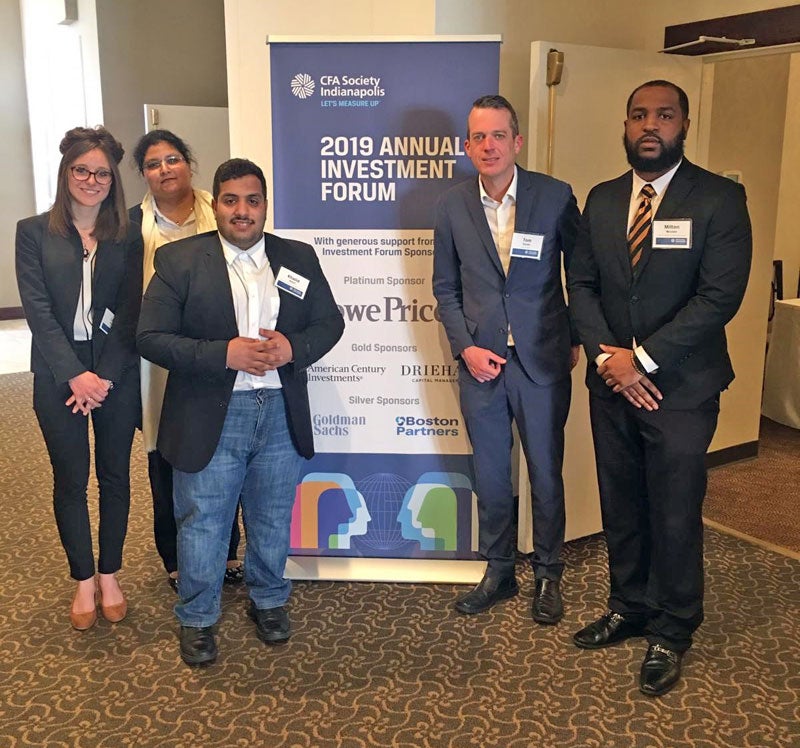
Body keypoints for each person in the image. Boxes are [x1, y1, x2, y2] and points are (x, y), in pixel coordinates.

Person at [567, 80, 752, 696]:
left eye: (664, 115)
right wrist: (608, 359)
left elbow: (719, 296)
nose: (650, 125)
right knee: (620, 501)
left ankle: (673, 628)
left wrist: (641, 360)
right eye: (639, 115)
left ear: (684, 124)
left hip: (682, 387)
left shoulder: (721, 199)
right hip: (611, 383)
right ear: (625, 126)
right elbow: (584, 287)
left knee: (673, 512)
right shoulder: (601, 199)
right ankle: (629, 605)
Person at [137, 158, 344, 666]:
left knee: (272, 517)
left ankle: (269, 599)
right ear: (217, 204)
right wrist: (223, 354)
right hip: (212, 411)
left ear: (265, 205)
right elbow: (150, 337)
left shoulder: (298, 257)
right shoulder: (180, 260)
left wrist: (294, 347)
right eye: (231, 200)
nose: (242, 211)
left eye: (253, 200)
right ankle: (198, 616)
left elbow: (330, 323)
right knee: (204, 520)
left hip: (279, 409)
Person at [432, 94, 580, 623]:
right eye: (478, 137)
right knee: (492, 474)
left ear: (517, 141)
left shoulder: (556, 196)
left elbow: (579, 279)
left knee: (545, 470)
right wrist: (465, 346)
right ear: (467, 146)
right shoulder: (451, 206)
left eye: (498, 135)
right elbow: (444, 288)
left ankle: (547, 572)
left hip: (542, 359)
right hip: (482, 363)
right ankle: (499, 570)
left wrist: (577, 339)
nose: (488, 146)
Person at [15, 126, 143, 630]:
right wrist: (74, 376)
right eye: (82, 170)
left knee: (114, 477)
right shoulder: (32, 232)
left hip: (114, 370)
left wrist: (103, 377)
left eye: (102, 173)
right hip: (56, 372)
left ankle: (110, 573)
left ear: (113, 181)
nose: (91, 180)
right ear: (66, 173)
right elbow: (38, 311)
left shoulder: (126, 236)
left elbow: (130, 312)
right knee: (70, 479)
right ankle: (83, 579)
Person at [130, 130, 244, 591]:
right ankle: (174, 557)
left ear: (189, 163)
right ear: (144, 174)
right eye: (154, 163)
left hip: (217, 351)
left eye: (173, 158)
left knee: (224, 447)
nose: (165, 169)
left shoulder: (216, 210)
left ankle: (229, 552)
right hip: (157, 360)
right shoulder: (131, 226)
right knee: (166, 453)